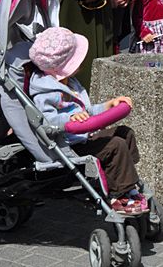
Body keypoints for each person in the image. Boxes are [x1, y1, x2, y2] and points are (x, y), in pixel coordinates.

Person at [28, 26, 147, 214]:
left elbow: (86, 110)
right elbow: (47, 121)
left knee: (125, 133)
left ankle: (126, 182)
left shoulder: (70, 82)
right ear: (62, 66)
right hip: (69, 145)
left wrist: (109, 105)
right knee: (115, 145)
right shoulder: (46, 92)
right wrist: (69, 118)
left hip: (85, 134)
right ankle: (119, 195)